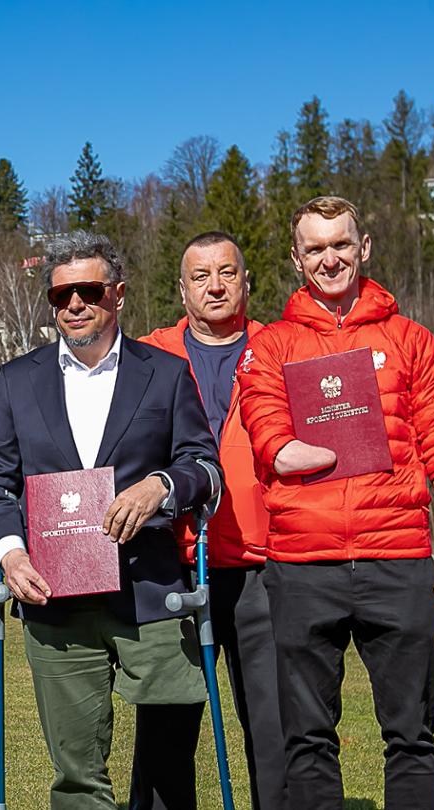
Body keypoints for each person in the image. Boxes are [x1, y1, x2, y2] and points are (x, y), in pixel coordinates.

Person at [236, 196, 434, 810]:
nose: (330, 259)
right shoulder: (271, 347)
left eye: (340, 244)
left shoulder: (411, 340)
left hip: (396, 559)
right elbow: (272, 444)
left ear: (363, 247)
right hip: (301, 566)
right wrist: (326, 444)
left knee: (412, 736)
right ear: (296, 259)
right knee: (308, 740)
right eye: (315, 248)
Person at [0, 231, 220, 810]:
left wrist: (161, 486)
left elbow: (204, 466)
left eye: (88, 291)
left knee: (168, 769)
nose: (74, 306)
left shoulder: (164, 373)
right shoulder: (15, 381)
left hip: (150, 594)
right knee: (77, 775)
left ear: (118, 294)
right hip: (55, 598)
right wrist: (10, 553)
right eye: (60, 296)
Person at [136, 231, 287, 810]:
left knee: (273, 727)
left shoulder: (280, 347)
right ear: (182, 288)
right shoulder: (149, 355)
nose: (215, 285)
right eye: (201, 276)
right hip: (173, 567)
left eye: (227, 272)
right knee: (165, 730)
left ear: (246, 281)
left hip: (259, 566)